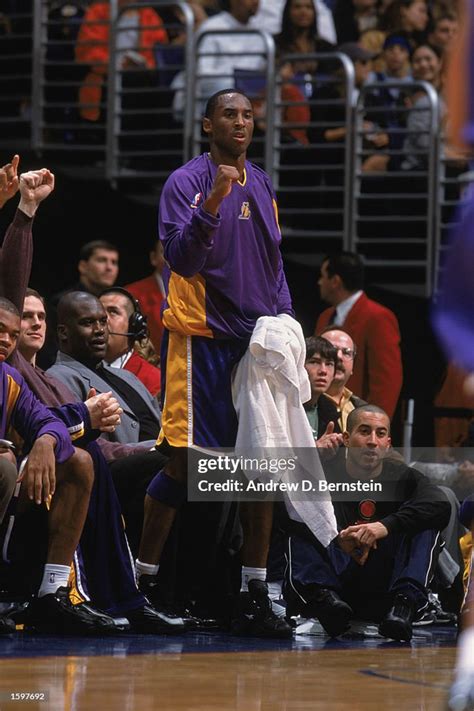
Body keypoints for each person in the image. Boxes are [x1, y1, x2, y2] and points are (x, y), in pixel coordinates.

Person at [141, 88, 295, 638]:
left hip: (255, 344)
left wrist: (287, 320)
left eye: (248, 114)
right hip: (201, 339)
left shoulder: (265, 183)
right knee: (185, 467)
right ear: (207, 125)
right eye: (229, 113)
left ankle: (256, 588)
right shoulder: (185, 182)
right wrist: (211, 204)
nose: (241, 121)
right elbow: (180, 258)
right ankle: (144, 583)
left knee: (262, 469)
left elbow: (274, 262)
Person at [284, 405, 451, 640]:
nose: (372, 441)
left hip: (384, 588)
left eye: (380, 434)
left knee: (427, 526)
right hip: (335, 582)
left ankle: (404, 606)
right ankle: (323, 599)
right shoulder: (325, 470)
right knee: (298, 522)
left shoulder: (403, 476)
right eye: (364, 431)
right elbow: (283, 502)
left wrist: (384, 527)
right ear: (346, 438)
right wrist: (309, 459)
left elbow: (440, 506)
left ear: (388, 443)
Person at [315, 252, 403, 418]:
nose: (319, 282)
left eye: (323, 276)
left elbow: (386, 381)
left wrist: (372, 425)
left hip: (356, 421)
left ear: (335, 282)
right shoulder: (325, 317)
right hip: (320, 417)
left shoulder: (378, 317)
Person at [100, 286, 161, 397]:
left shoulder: (153, 380)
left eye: (113, 312)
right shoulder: (80, 371)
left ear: (133, 325)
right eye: (99, 312)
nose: (103, 318)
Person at [318, 326, 367, 430]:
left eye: (346, 352)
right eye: (332, 349)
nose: (339, 356)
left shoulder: (364, 411)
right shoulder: (299, 404)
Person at [125, 240, 166, 355]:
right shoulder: (132, 294)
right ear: (153, 258)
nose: (171, 258)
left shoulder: (196, 294)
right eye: (164, 252)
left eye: (176, 252)